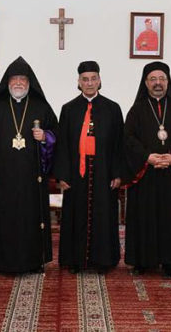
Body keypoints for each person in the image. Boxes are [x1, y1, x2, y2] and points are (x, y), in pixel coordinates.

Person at [0, 56, 57, 274]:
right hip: (4, 174)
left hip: (32, 175)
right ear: (7, 82)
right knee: (4, 217)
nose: (18, 83)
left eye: (22, 79)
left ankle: (33, 262)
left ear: (29, 82)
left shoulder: (41, 107)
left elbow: (57, 134)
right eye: (14, 79)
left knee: (30, 218)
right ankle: (1, 262)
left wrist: (45, 137)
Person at [123, 61, 171, 278]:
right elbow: (128, 139)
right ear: (145, 83)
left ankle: (170, 262)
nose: (158, 83)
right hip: (145, 174)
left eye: (162, 79)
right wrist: (148, 157)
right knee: (144, 217)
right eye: (153, 79)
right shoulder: (136, 110)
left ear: (168, 82)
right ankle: (142, 261)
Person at [54, 61, 124, 274]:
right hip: (76, 173)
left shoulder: (113, 108)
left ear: (100, 80)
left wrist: (117, 173)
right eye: (85, 79)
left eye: (94, 78)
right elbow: (62, 144)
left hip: (104, 171)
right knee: (76, 215)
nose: (90, 83)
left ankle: (103, 261)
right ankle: (75, 260)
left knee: (103, 216)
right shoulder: (68, 109)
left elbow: (119, 144)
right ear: (79, 82)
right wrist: (62, 175)